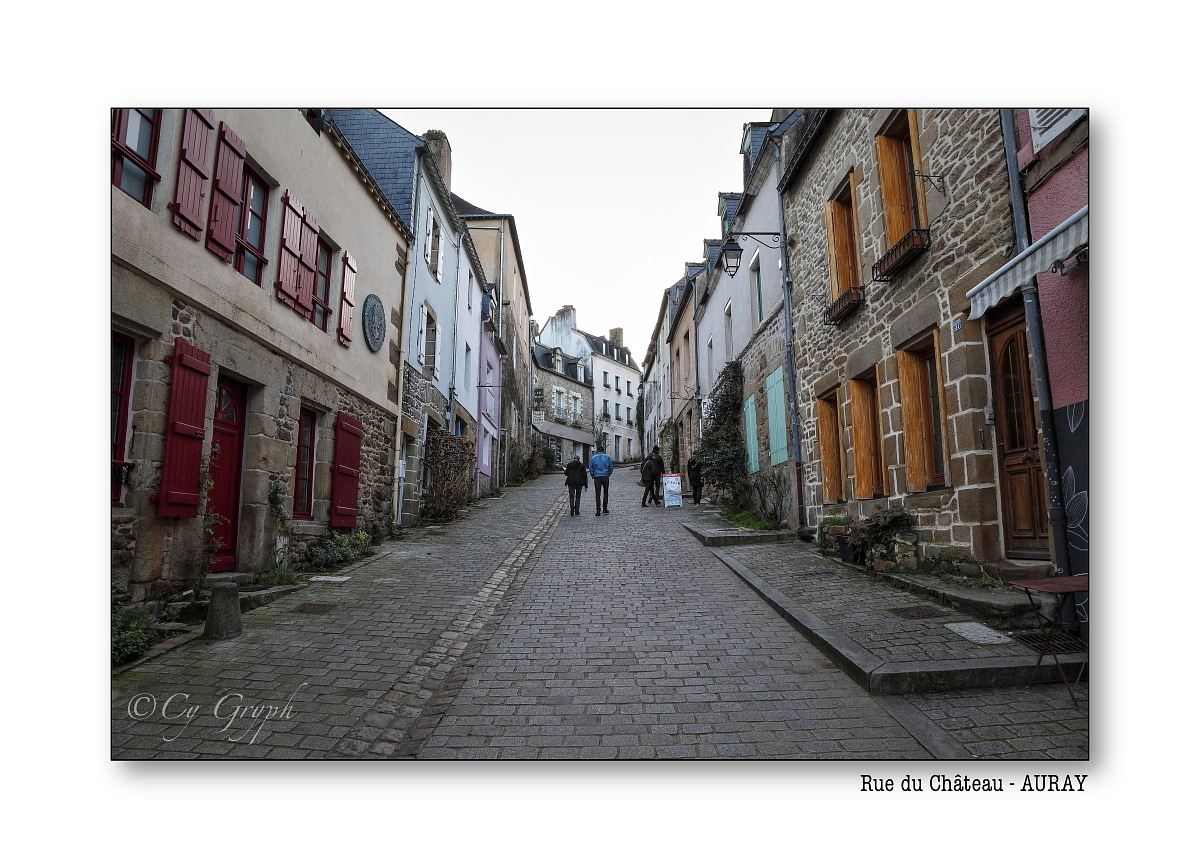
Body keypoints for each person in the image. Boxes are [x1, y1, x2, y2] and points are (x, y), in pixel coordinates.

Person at [588, 447, 614, 515]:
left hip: (597, 476)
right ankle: (605, 508)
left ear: (597, 450)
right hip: (605, 476)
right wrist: (608, 474)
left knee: (597, 493)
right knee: (605, 492)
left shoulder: (593, 458)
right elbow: (611, 467)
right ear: (603, 450)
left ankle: (598, 510)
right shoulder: (607, 457)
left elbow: (591, 468)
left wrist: (593, 475)